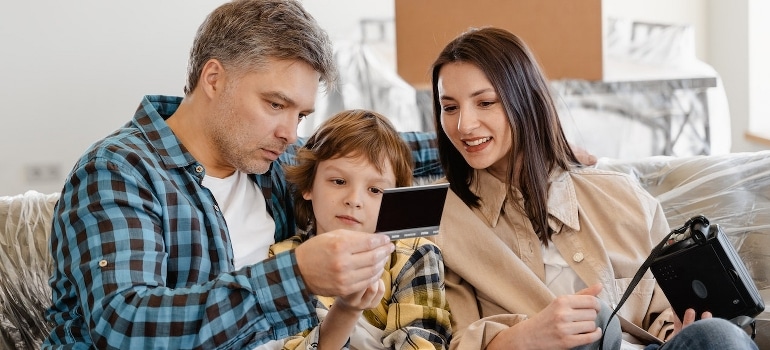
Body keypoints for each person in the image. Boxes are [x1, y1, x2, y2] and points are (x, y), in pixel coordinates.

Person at [43, 1, 401, 348]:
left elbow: (374, 152)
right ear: (213, 79)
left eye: (301, 115)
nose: (290, 133)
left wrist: (456, 134)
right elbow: (125, 327)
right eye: (276, 105)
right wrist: (296, 276)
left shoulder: (276, 161)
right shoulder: (118, 172)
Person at [427, 27, 757, 350]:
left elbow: (664, 316)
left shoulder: (619, 195)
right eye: (450, 107)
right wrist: (525, 337)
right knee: (592, 321)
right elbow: (451, 340)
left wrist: (679, 331)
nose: (464, 126)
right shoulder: (440, 218)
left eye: (485, 102)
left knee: (718, 335)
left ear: (525, 101)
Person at [269, 109, 451, 349]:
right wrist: (345, 310)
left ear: (395, 200)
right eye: (339, 181)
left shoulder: (415, 254)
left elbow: (423, 342)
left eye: (375, 190)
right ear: (309, 186)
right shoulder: (283, 259)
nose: (354, 200)